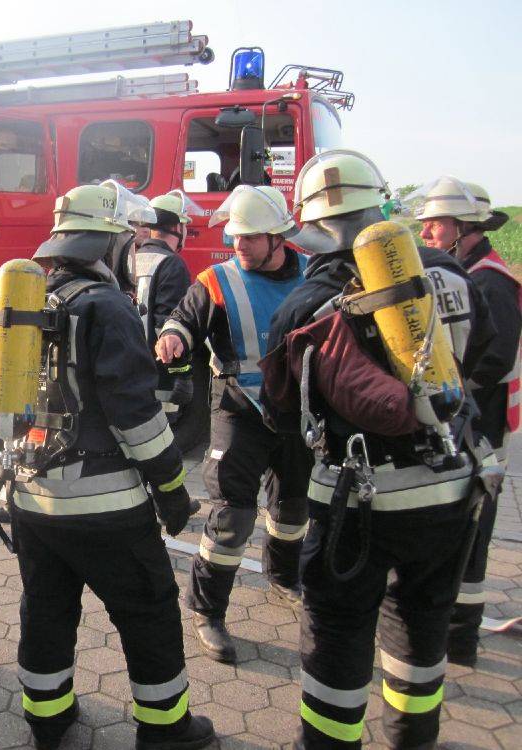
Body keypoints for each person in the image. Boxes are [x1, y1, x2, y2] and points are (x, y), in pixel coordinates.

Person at [0, 182, 213, 750]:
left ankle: (47, 720)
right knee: (148, 612)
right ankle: (166, 729)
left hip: (31, 502)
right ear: (110, 244)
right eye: (129, 242)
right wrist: (172, 490)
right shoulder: (107, 307)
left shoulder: (20, 306)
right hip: (108, 509)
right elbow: (136, 418)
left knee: (46, 611)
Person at [263, 150, 499, 749]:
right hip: (450, 490)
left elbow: (283, 415)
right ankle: (412, 738)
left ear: (314, 227)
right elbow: (482, 356)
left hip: (354, 503)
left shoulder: (303, 305)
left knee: (337, 632)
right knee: (422, 624)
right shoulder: (451, 274)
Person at [154, 185, 312, 663]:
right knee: (232, 516)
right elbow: (184, 318)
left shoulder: (314, 274)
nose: (238, 244)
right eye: (235, 236)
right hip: (240, 411)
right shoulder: (217, 279)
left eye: (250, 237)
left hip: (298, 414)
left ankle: (283, 578)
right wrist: (174, 337)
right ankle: (207, 610)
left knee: (292, 508)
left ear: (278, 237)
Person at [416, 176, 520, 666]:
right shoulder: (468, 273)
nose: (426, 232)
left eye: (435, 224)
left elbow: (493, 360)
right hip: (469, 421)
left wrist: (445, 394)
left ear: (463, 227)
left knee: (473, 529)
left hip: (480, 427)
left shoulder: (490, 282)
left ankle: (459, 640)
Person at [135, 190, 196, 418]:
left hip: (128, 371)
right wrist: (183, 373)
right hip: (158, 378)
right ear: (178, 227)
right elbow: (171, 325)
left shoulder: (131, 258)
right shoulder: (172, 264)